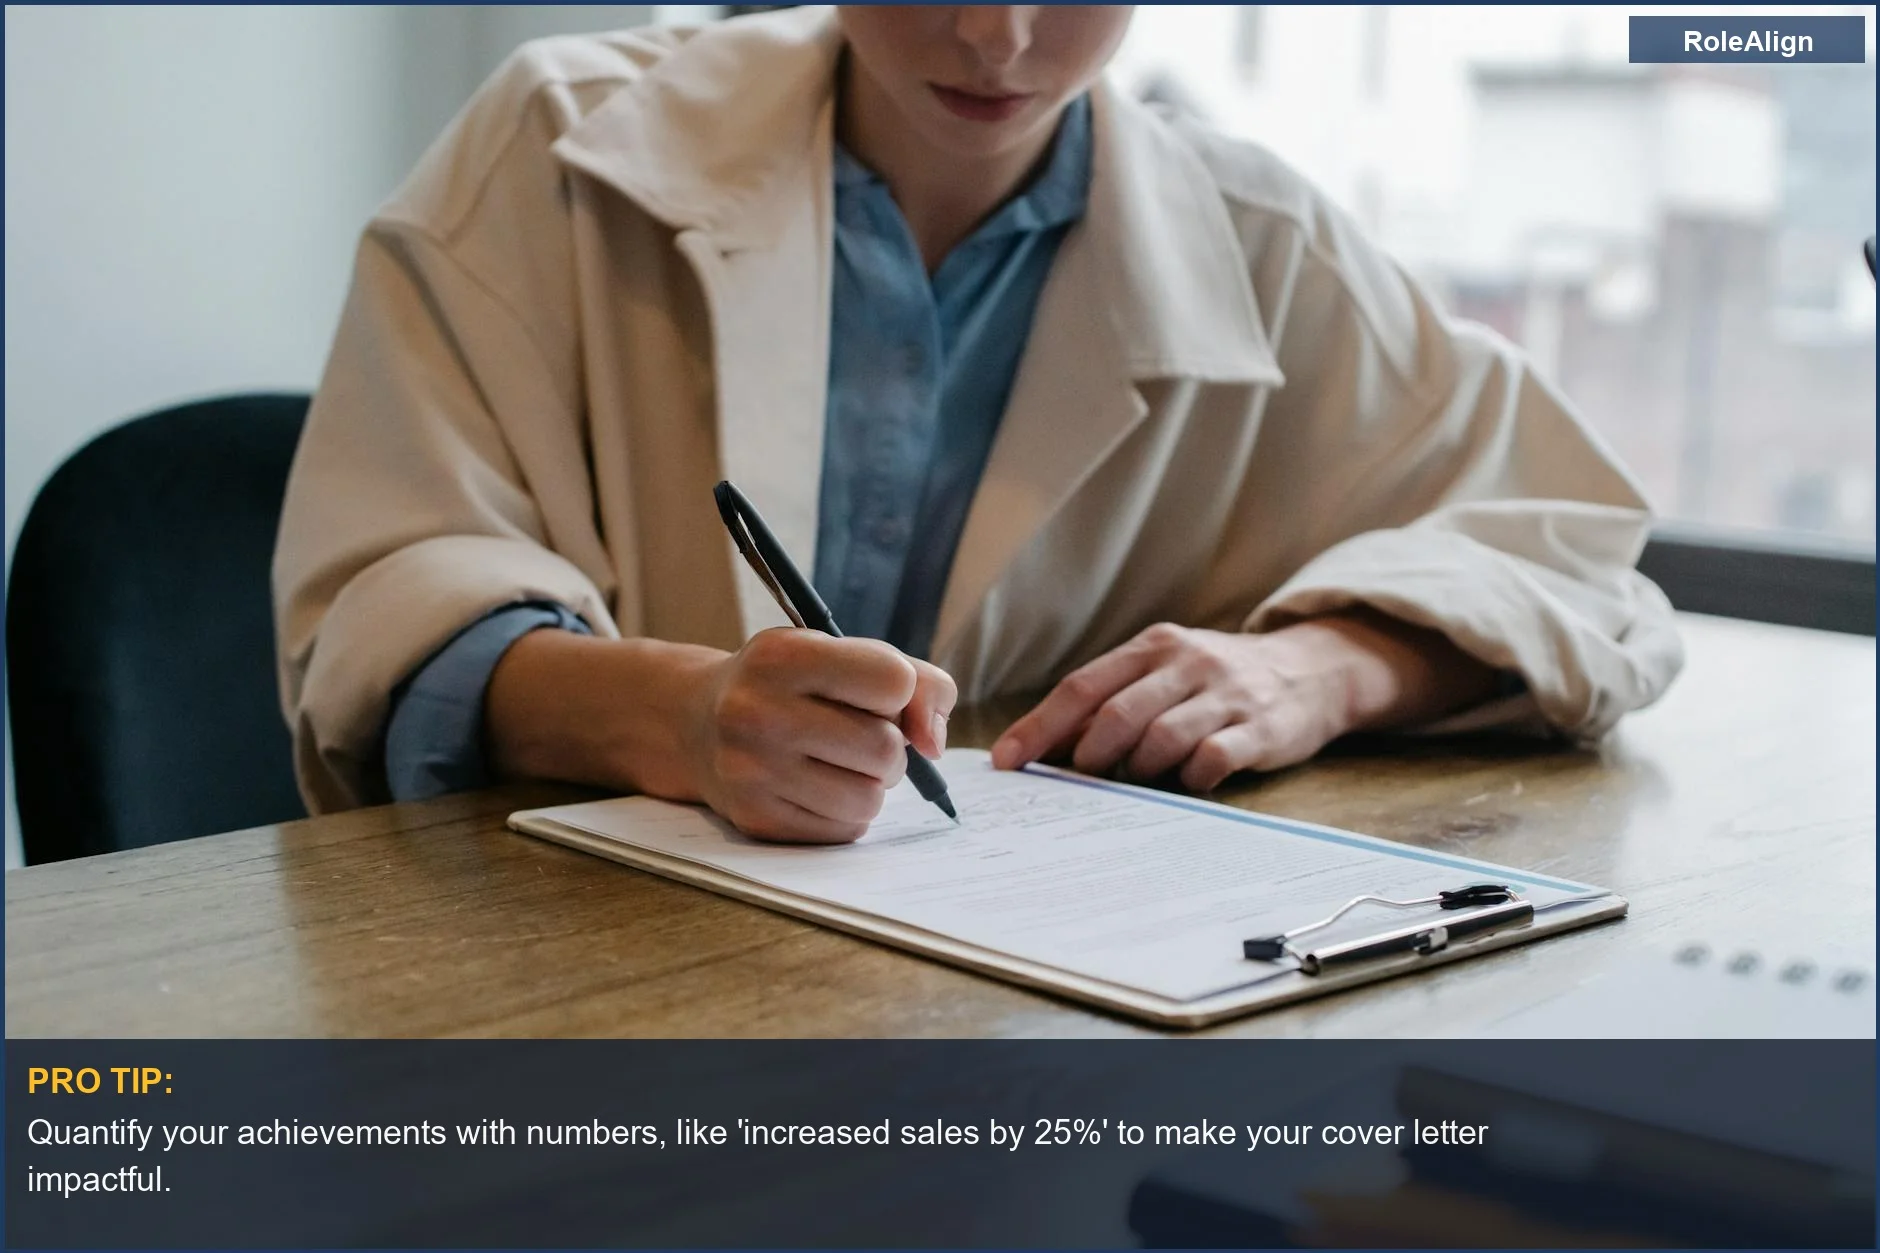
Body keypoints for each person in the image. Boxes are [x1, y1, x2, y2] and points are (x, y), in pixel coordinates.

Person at [274, 5, 1683, 843]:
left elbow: (1583, 567)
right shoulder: (554, 145)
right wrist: (683, 720)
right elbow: (388, 603)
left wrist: (1322, 670)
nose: (999, 39)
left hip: (1038, 1025)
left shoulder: (1267, 247)